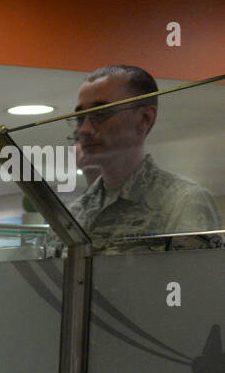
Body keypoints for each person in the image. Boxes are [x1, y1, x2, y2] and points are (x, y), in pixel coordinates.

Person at [66, 65, 222, 251]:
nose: (84, 130)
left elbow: (197, 278)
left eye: (101, 114)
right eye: (80, 117)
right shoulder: (76, 212)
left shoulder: (183, 202)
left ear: (144, 119)